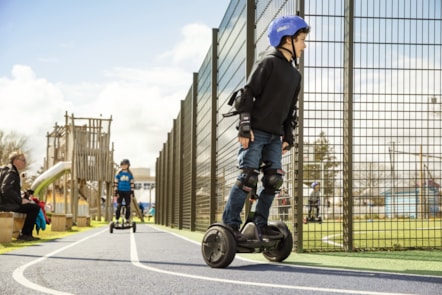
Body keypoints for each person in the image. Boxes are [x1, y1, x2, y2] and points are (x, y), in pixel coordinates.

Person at [222, 15, 309, 241]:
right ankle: (230, 225)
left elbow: (291, 110)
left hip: (275, 136)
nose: (304, 45)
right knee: (248, 178)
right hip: (255, 131)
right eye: (301, 40)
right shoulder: (267, 62)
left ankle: (258, 224)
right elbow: (247, 94)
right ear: (286, 39)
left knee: (273, 180)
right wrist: (244, 126)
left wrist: (288, 136)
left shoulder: (295, 75)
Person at [0, 151, 41, 241]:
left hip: (6, 203)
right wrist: (20, 200)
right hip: (7, 205)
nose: (25, 162)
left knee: (32, 206)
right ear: (15, 160)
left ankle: (25, 233)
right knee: (34, 208)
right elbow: (5, 189)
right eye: (23, 160)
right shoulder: (11, 172)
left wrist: (22, 197)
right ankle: (25, 234)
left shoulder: (6, 169)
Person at [113, 159, 135, 224]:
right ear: (121, 165)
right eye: (122, 164)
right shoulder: (119, 173)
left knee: (128, 206)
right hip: (120, 191)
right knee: (119, 205)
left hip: (127, 191)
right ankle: (117, 219)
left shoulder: (130, 174)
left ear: (128, 165)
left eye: (125, 164)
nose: (124, 166)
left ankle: (127, 219)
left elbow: (132, 183)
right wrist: (116, 191)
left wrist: (132, 192)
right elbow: (116, 183)